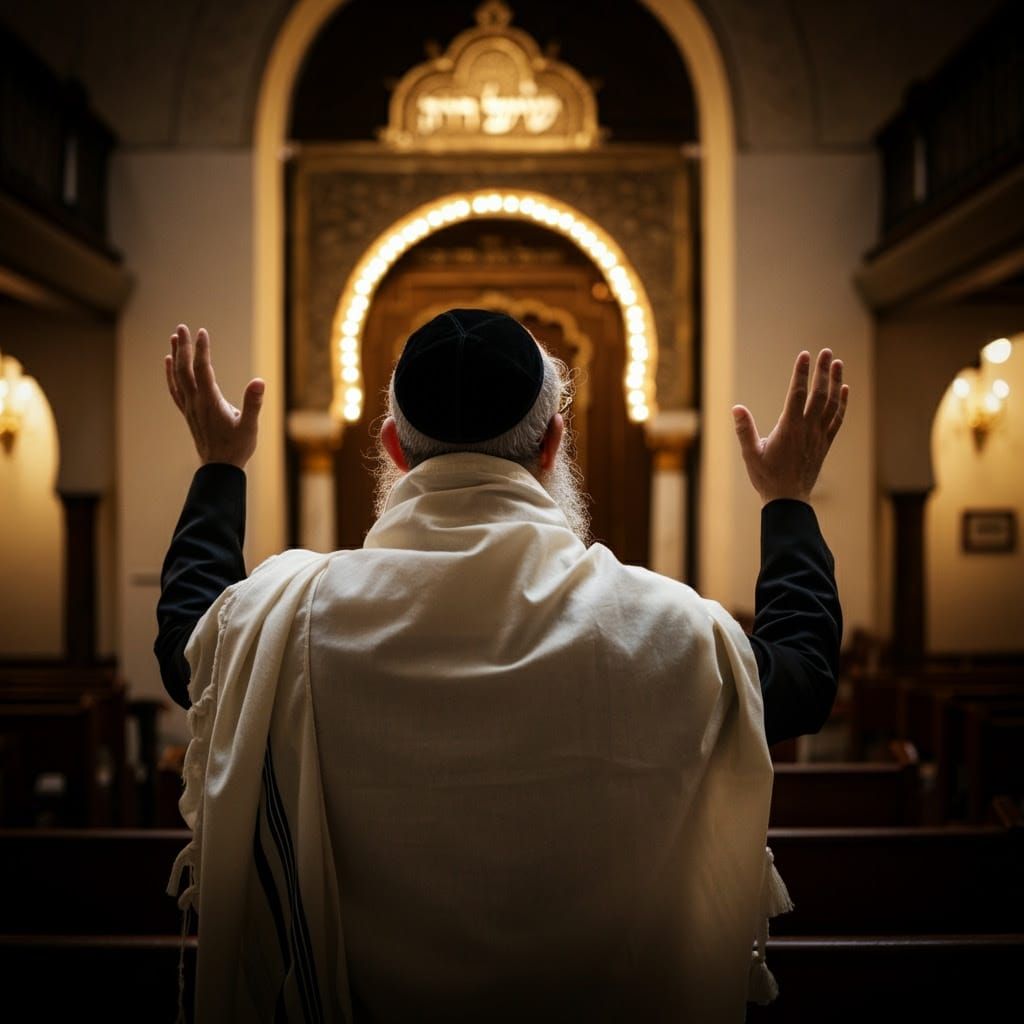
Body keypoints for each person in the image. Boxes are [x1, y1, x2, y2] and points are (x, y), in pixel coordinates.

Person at [157, 310, 846, 1022]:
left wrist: (219, 469)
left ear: (394, 448)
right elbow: (801, 679)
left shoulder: (289, 619)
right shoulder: (661, 626)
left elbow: (189, 645)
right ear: (553, 445)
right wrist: (787, 501)